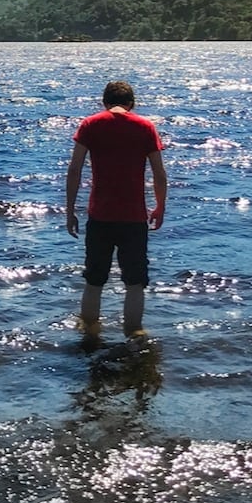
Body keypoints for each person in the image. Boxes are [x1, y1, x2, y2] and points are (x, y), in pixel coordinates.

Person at [65, 80, 167, 350]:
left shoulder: (90, 125)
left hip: (100, 215)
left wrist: (70, 210)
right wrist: (160, 206)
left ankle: (89, 333)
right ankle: (134, 331)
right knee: (135, 281)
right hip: (133, 217)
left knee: (94, 279)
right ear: (132, 103)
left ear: (104, 102)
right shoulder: (145, 127)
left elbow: (74, 170)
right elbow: (159, 172)